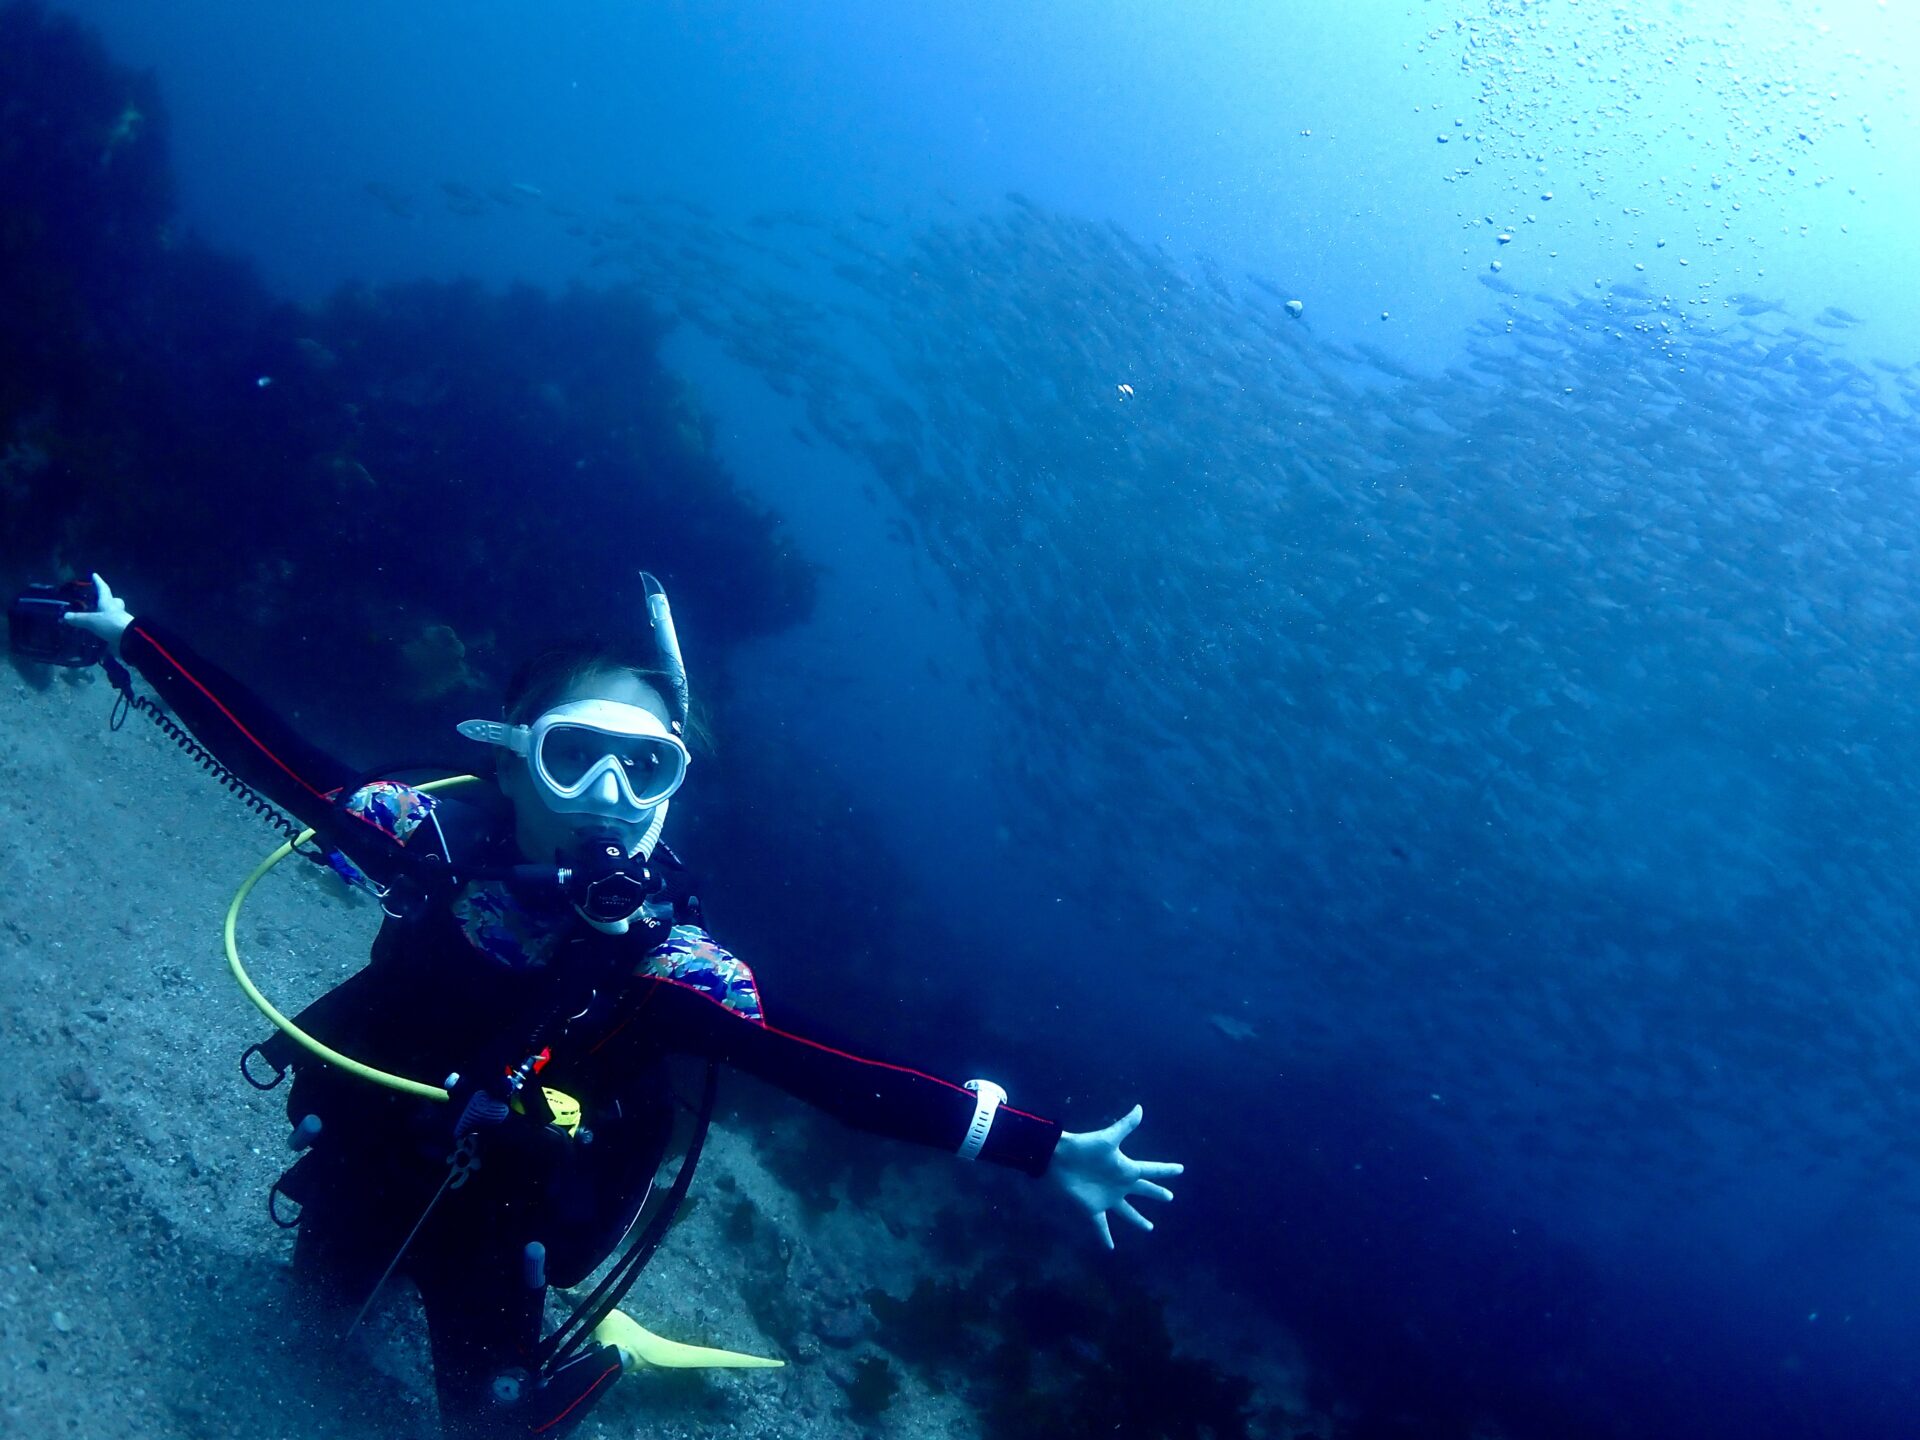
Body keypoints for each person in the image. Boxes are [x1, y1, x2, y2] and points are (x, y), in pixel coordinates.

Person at [60, 573, 1183, 1439]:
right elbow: (283, 763)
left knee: (490, 1425)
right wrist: (133, 636)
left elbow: (840, 1077)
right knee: (317, 1293)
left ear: (671, 787)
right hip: (371, 1144)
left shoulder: (676, 970)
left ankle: (598, 1355)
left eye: (643, 770)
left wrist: (1042, 1148)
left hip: (511, 1216)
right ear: (507, 766)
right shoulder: (430, 848)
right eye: (574, 757)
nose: (609, 798)